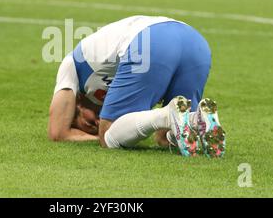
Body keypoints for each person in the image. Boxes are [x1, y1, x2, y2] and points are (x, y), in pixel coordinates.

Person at [48, 15, 225, 157]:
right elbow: (160, 138)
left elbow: (58, 133)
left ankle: (166, 115)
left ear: (77, 103)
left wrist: (101, 134)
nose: (96, 121)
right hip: (194, 42)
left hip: (150, 41)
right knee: (168, 138)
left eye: (87, 121)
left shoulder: (72, 65)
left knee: (108, 137)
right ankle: (198, 120)